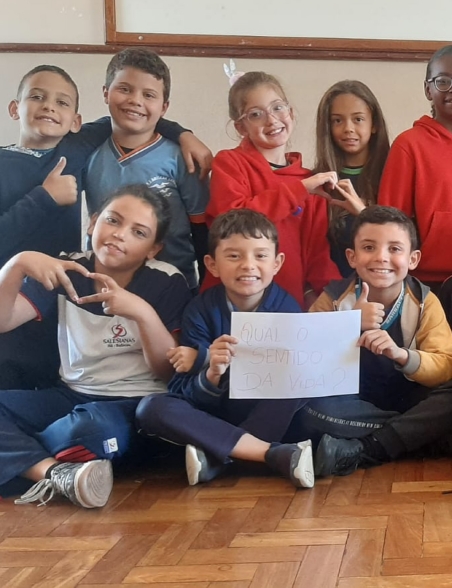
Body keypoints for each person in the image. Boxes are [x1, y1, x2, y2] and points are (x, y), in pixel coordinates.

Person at [1, 63, 211, 389]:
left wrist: (183, 133)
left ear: (75, 120)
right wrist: (44, 198)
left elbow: (137, 112)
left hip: (132, 288)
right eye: (37, 97)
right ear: (15, 108)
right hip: (29, 289)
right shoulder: (73, 152)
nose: (49, 108)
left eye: (61, 102)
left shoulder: (79, 145)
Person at [0, 184, 191, 508]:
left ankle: (20, 456)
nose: (119, 235)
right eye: (113, 220)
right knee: (76, 431)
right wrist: (16, 265)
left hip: (131, 403)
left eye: (138, 232)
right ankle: (55, 473)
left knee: (89, 431)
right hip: (71, 394)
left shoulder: (167, 280)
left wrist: (141, 312)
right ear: (92, 223)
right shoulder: (67, 268)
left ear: (153, 249)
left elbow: (166, 372)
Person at [136, 209, 315, 489]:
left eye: (260, 255)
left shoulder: (287, 309)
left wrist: (202, 358)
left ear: (277, 263)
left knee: (299, 384)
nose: (248, 265)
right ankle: (268, 454)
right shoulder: (199, 310)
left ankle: (218, 459)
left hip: (262, 413)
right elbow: (182, 389)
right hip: (214, 414)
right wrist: (212, 371)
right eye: (234, 256)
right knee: (151, 408)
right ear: (212, 265)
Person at [298, 206, 452, 477]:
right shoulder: (332, 299)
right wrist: (350, 325)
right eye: (369, 247)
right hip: (354, 404)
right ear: (352, 257)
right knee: (308, 409)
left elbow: (445, 366)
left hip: (412, 398)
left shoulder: (425, 302)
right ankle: (417, 434)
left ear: (413, 259)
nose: (381, 257)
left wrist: (402, 355)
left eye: (394, 249)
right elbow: (305, 363)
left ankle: (368, 447)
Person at [204, 71, 340, 308]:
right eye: (256, 114)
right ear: (241, 127)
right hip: (230, 305)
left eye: (278, 108)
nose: (271, 120)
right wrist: (298, 191)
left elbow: (317, 255)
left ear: (291, 113)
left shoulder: (309, 182)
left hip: (286, 308)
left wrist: (338, 300)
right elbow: (233, 224)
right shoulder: (229, 163)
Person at [85, 47, 210, 292]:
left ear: (164, 107)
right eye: (125, 89)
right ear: (106, 93)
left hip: (172, 288)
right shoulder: (87, 152)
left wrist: (206, 290)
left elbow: (202, 228)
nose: (135, 100)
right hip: (104, 285)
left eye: (149, 95)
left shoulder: (183, 157)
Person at [378, 44, 452, 290]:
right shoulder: (409, 145)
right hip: (428, 283)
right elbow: (391, 220)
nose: (451, 88)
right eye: (443, 81)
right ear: (428, 89)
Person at [313, 80, 390, 277]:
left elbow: (400, 243)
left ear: (374, 124)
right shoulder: (317, 182)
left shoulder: (392, 174)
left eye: (358, 119)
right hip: (331, 288)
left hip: (383, 285)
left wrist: (363, 213)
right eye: (337, 121)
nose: (348, 128)